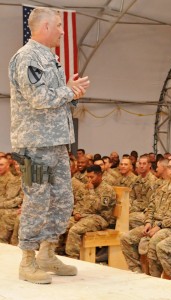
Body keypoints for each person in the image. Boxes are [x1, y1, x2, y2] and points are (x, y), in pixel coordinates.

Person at [9, 7, 89, 284]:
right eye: (58, 25)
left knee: (62, 199)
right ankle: (28, 260)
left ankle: (47, 252)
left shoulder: (51, 58)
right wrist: (68, 90)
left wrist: (72, 93)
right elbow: (39, 98)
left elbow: (57, 100)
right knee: (38, 199)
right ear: (44, 27)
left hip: (55, 143)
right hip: (34, 146)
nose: (62, 30)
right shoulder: (28, 57)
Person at [120, 158, 171, 274]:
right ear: (167, 169)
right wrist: (148, 222)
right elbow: (151, 207)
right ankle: (136, 271)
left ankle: (155, 277)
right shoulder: (161, 187)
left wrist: (159, 225)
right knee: (126, 238)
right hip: (154, 224)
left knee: (154, 242)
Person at [65, 165, 116, 259]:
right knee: (62, 225)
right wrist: (76, 212)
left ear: (100, 175)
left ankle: (72, 258)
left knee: (74, 230)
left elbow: (99, 207)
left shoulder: (107, 190)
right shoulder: (86, 187)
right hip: (84, 216)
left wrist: (91, 191)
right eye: (87, 177)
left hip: (99, 218)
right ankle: (59, 253)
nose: (89, 179)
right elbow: (78, 201)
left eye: (92, 177)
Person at [0, 157, 23, 244]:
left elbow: (19, 199)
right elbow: (5, 196)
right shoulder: (15, 180)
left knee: (6, 214)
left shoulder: (32, 181)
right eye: (16, 164)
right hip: (13, 207)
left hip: (18, 208)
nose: (17, 167)